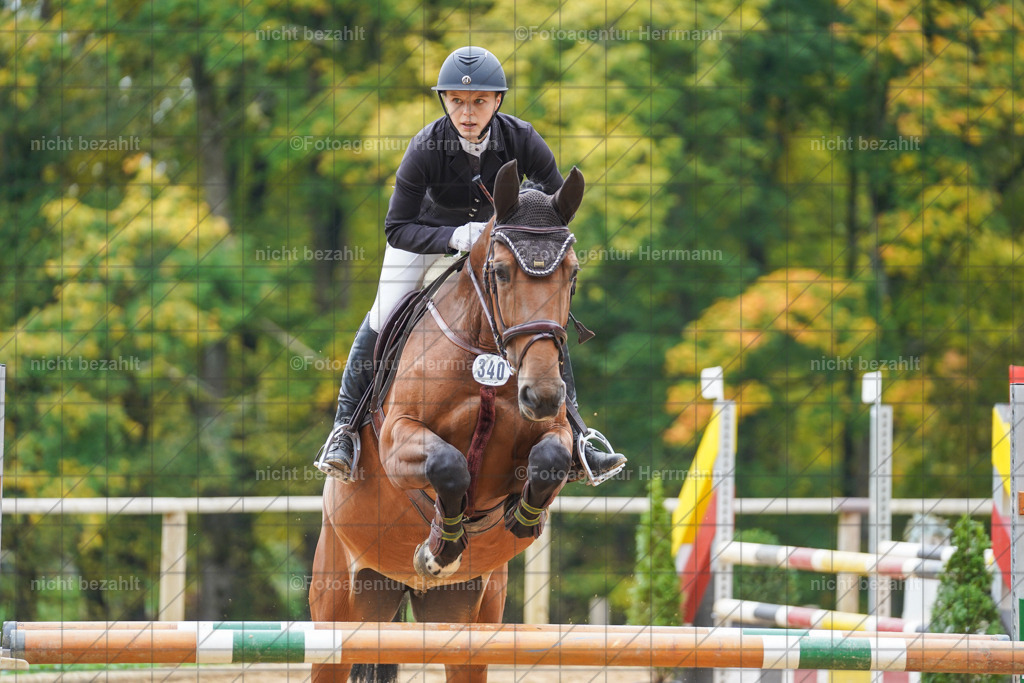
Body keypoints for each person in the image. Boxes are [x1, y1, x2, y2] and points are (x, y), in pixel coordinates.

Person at [314, 46, 626, 485]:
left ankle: (581, 435)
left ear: (497, 101)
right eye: (457, 101)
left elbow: (555, 208)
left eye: (479, 101)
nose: (467, 113)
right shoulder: (425, 147)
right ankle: (344, 430)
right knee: (383, 312)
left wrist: (523, 237)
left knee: (540, 314)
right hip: (427, 236)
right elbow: (397, 227)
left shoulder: (522, 138)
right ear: (444, 100)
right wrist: (454, 237)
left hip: (499, 242)